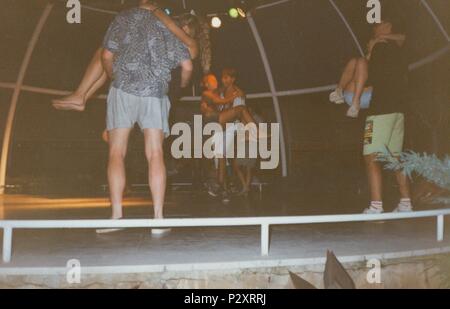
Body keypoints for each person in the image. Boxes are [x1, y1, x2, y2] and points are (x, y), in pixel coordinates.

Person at [96, 2, 193, 234]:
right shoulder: (168, 23)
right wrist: (180, 86)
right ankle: (158, 219)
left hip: (123, 89)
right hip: (155, 92)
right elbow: (187, 66)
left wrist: (114, 77)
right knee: (155, 153)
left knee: (116, 152)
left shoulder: (123, 17)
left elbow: (106, 55)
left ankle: (116, 215)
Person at [52, 1, 211, 111]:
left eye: (185, 27)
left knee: (107, 52)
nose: (181, 28)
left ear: (192, 31)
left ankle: (81, 95)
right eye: (181, 24)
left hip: (154, 88)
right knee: (107, 54)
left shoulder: (192, 46)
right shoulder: (171, 41)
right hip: (146, 81)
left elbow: (169, 25)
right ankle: (82, 96)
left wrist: (154, 9)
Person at [361, 18, 412, 214]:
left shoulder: (380, 48)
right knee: (395, 157)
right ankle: (406, 203)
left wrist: (370, 50)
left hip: (380, 111)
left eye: (385, 24)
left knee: (370, 156)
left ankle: (376, 206)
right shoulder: (396, 48)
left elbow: (367, 76)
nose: (387, 26)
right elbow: (403, 39)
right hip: (398, 111)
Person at [330, 33, 406, 118]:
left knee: (360, 61)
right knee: (356, 61)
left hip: (370, 96)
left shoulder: (384, 59)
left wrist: (381, 37)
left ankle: (355, 103)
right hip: (353, 95)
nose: (373, 43)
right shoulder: (364, 62)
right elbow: (364, 61)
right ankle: (339, 91)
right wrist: (373, 45)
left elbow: (403, 37)